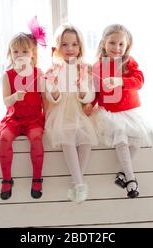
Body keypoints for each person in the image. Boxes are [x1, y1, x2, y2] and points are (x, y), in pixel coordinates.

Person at [85, 24, 153, 199]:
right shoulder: (97, 66)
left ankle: (123, 173)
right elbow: (97, 90)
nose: (117, 48)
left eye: (121, 44)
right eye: (112, 43)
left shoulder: (129, 62)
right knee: (120, 136)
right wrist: (90, 103)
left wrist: (119, 81)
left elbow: (139, 81)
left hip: (130, 110)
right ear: (103, 43)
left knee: (137, 138)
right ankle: (131, 180)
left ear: (127, 46)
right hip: (109, 112)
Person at [44, 23, 98, 203]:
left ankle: (77, 182)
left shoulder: (85, 68)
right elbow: (52, 96)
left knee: (86, 140)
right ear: (58, 47)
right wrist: (55, 92)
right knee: (67, 137)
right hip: (62, 112)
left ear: (80, 46)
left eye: (74, 44)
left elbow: (91, 95)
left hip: (80, 110)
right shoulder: (54, 69)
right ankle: (79, 183)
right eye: (65, 45)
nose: (70, 49)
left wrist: (84, 93)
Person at [0, 17, 47, 200]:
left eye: (24, 51)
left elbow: (45, 100)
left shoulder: (38, 74)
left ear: (32, 53)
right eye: (15, 51)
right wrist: (14, 97)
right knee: (4, 139)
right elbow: (6, 102)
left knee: (35, 138)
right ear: (10, 53)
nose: (20, 54)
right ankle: (7, 179)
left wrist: (48, 118)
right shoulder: (7, 75)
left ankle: (37, 178)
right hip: (15, 119)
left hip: (33, 119)